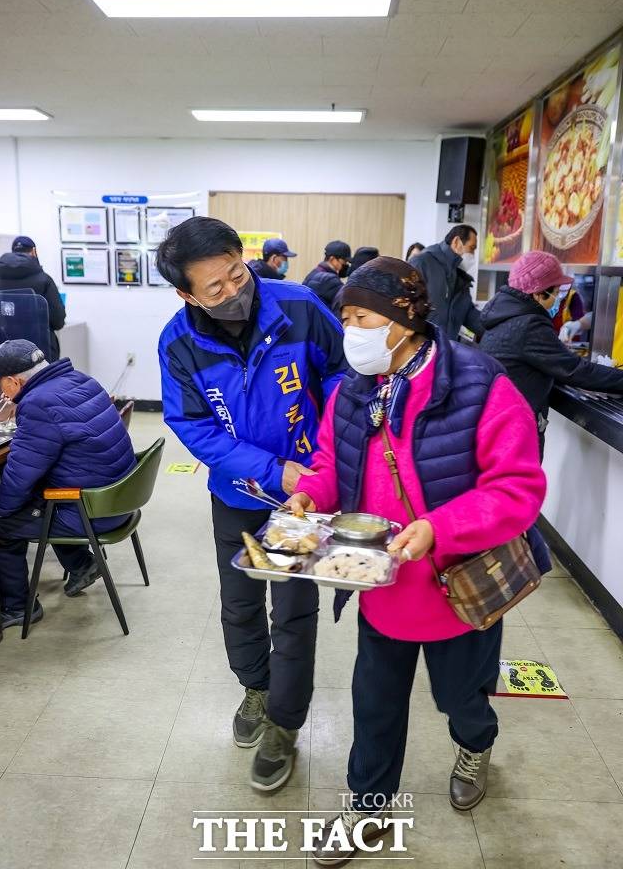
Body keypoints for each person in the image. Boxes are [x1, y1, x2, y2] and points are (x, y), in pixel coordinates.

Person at [287, 258, 545, 862]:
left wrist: (439, 527)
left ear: (403, 321)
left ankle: (475, 743)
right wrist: (309, 494)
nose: (352, 331)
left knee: (461, 698)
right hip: (383, 583)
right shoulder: (354, 390)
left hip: (457, 585)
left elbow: (517, 488)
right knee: (374, 704)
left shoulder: (478, 382)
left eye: (363, 318)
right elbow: (331, 466)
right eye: (346, 318)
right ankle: (368, 810)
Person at [156, 217, 346, 792]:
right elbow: (190, 423)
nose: (234, 292)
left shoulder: (300, 306)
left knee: (292, 611)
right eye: (214, 289)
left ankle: (284, 725)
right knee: (240, 604)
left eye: (237, 274)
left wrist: (319, 457)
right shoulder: (179, 343)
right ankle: (255, 689)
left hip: (302, 497)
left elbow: (341, 375)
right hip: (238, 495)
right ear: (187, 294)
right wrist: (268, 469)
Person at [0, 340, 136, 629]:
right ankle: (81, 564)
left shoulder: (37, 404)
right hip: (119, 497)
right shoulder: (80, 379)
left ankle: (18, 607)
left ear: (13, 380)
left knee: (1, 526)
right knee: (40, 498)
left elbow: (20, 474)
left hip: (93, 510)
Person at [480, 251, 623, 456]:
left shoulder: (503, 315)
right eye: (557, 292)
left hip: (498, 429)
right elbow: (575, 370)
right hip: (514, 438)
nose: (559, 299)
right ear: (538, 294)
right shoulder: (530, 324)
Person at [0, 236, 66, 360]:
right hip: (40, 352)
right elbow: (58, 321)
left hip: (4, 351)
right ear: (33, 251)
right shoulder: (43, 279)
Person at [410, 225, 482, 340]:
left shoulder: (460, 277)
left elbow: (469, 315)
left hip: (446, 348)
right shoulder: (422, 262)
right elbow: (405, 305)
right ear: (457, 242)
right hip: (421, 349)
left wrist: (498, 328)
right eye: (472, 248)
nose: (473, 255)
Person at [302, 240, 352, 312]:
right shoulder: (330, 280)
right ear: (332, 259)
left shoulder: (314, 272)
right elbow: (344, 302)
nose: (346, 265)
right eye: (344, 261)